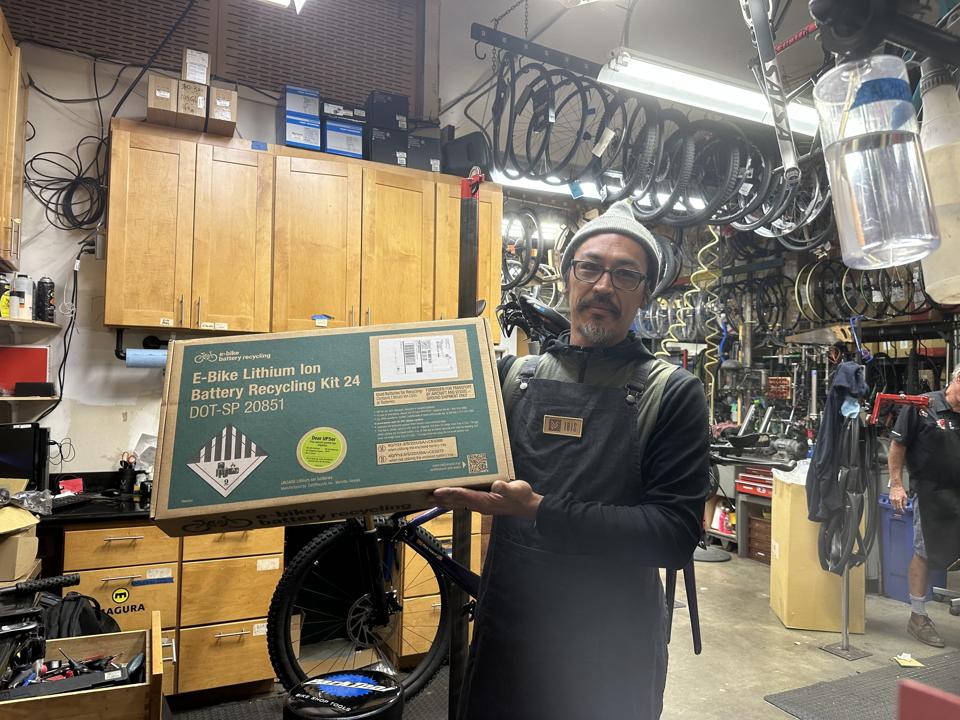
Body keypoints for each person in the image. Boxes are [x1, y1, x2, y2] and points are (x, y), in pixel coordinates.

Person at [431, 200, 710, 720]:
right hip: (511, 632)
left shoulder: (671, 393)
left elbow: (672, 535)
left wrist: (538, 510)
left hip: (611, 649)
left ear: (644, 293)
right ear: (568, 279)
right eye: (590, 267)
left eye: (626, 274)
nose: (604, 285)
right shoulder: (515, 379)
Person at [888, 364, 960, 648]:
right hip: (930, 493)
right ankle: (917, 617)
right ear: (957, 380)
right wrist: (896, 484)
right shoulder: (923, 406)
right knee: (925, 552)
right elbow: (898, 446)